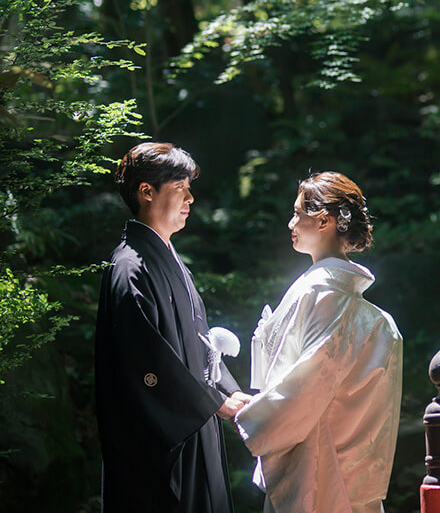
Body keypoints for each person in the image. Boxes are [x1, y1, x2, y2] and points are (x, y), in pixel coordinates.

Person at [95, 142, 251, 513]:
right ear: (146, 191)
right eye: (180, 187)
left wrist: (229, 391)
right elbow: (148, 360)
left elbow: (198, 345)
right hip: (162, 441)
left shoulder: (171, 261)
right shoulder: (130, 268)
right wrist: (214, 402)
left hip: (194, 420)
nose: (190, 198)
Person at [236, 171, 403, 513]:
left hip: (316, 461)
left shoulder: (322, 292)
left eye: (298, 213)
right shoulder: (349, 302)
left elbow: (312, 381)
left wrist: (253, 417)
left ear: (325, 220)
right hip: (341, 458)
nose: (290, 222)